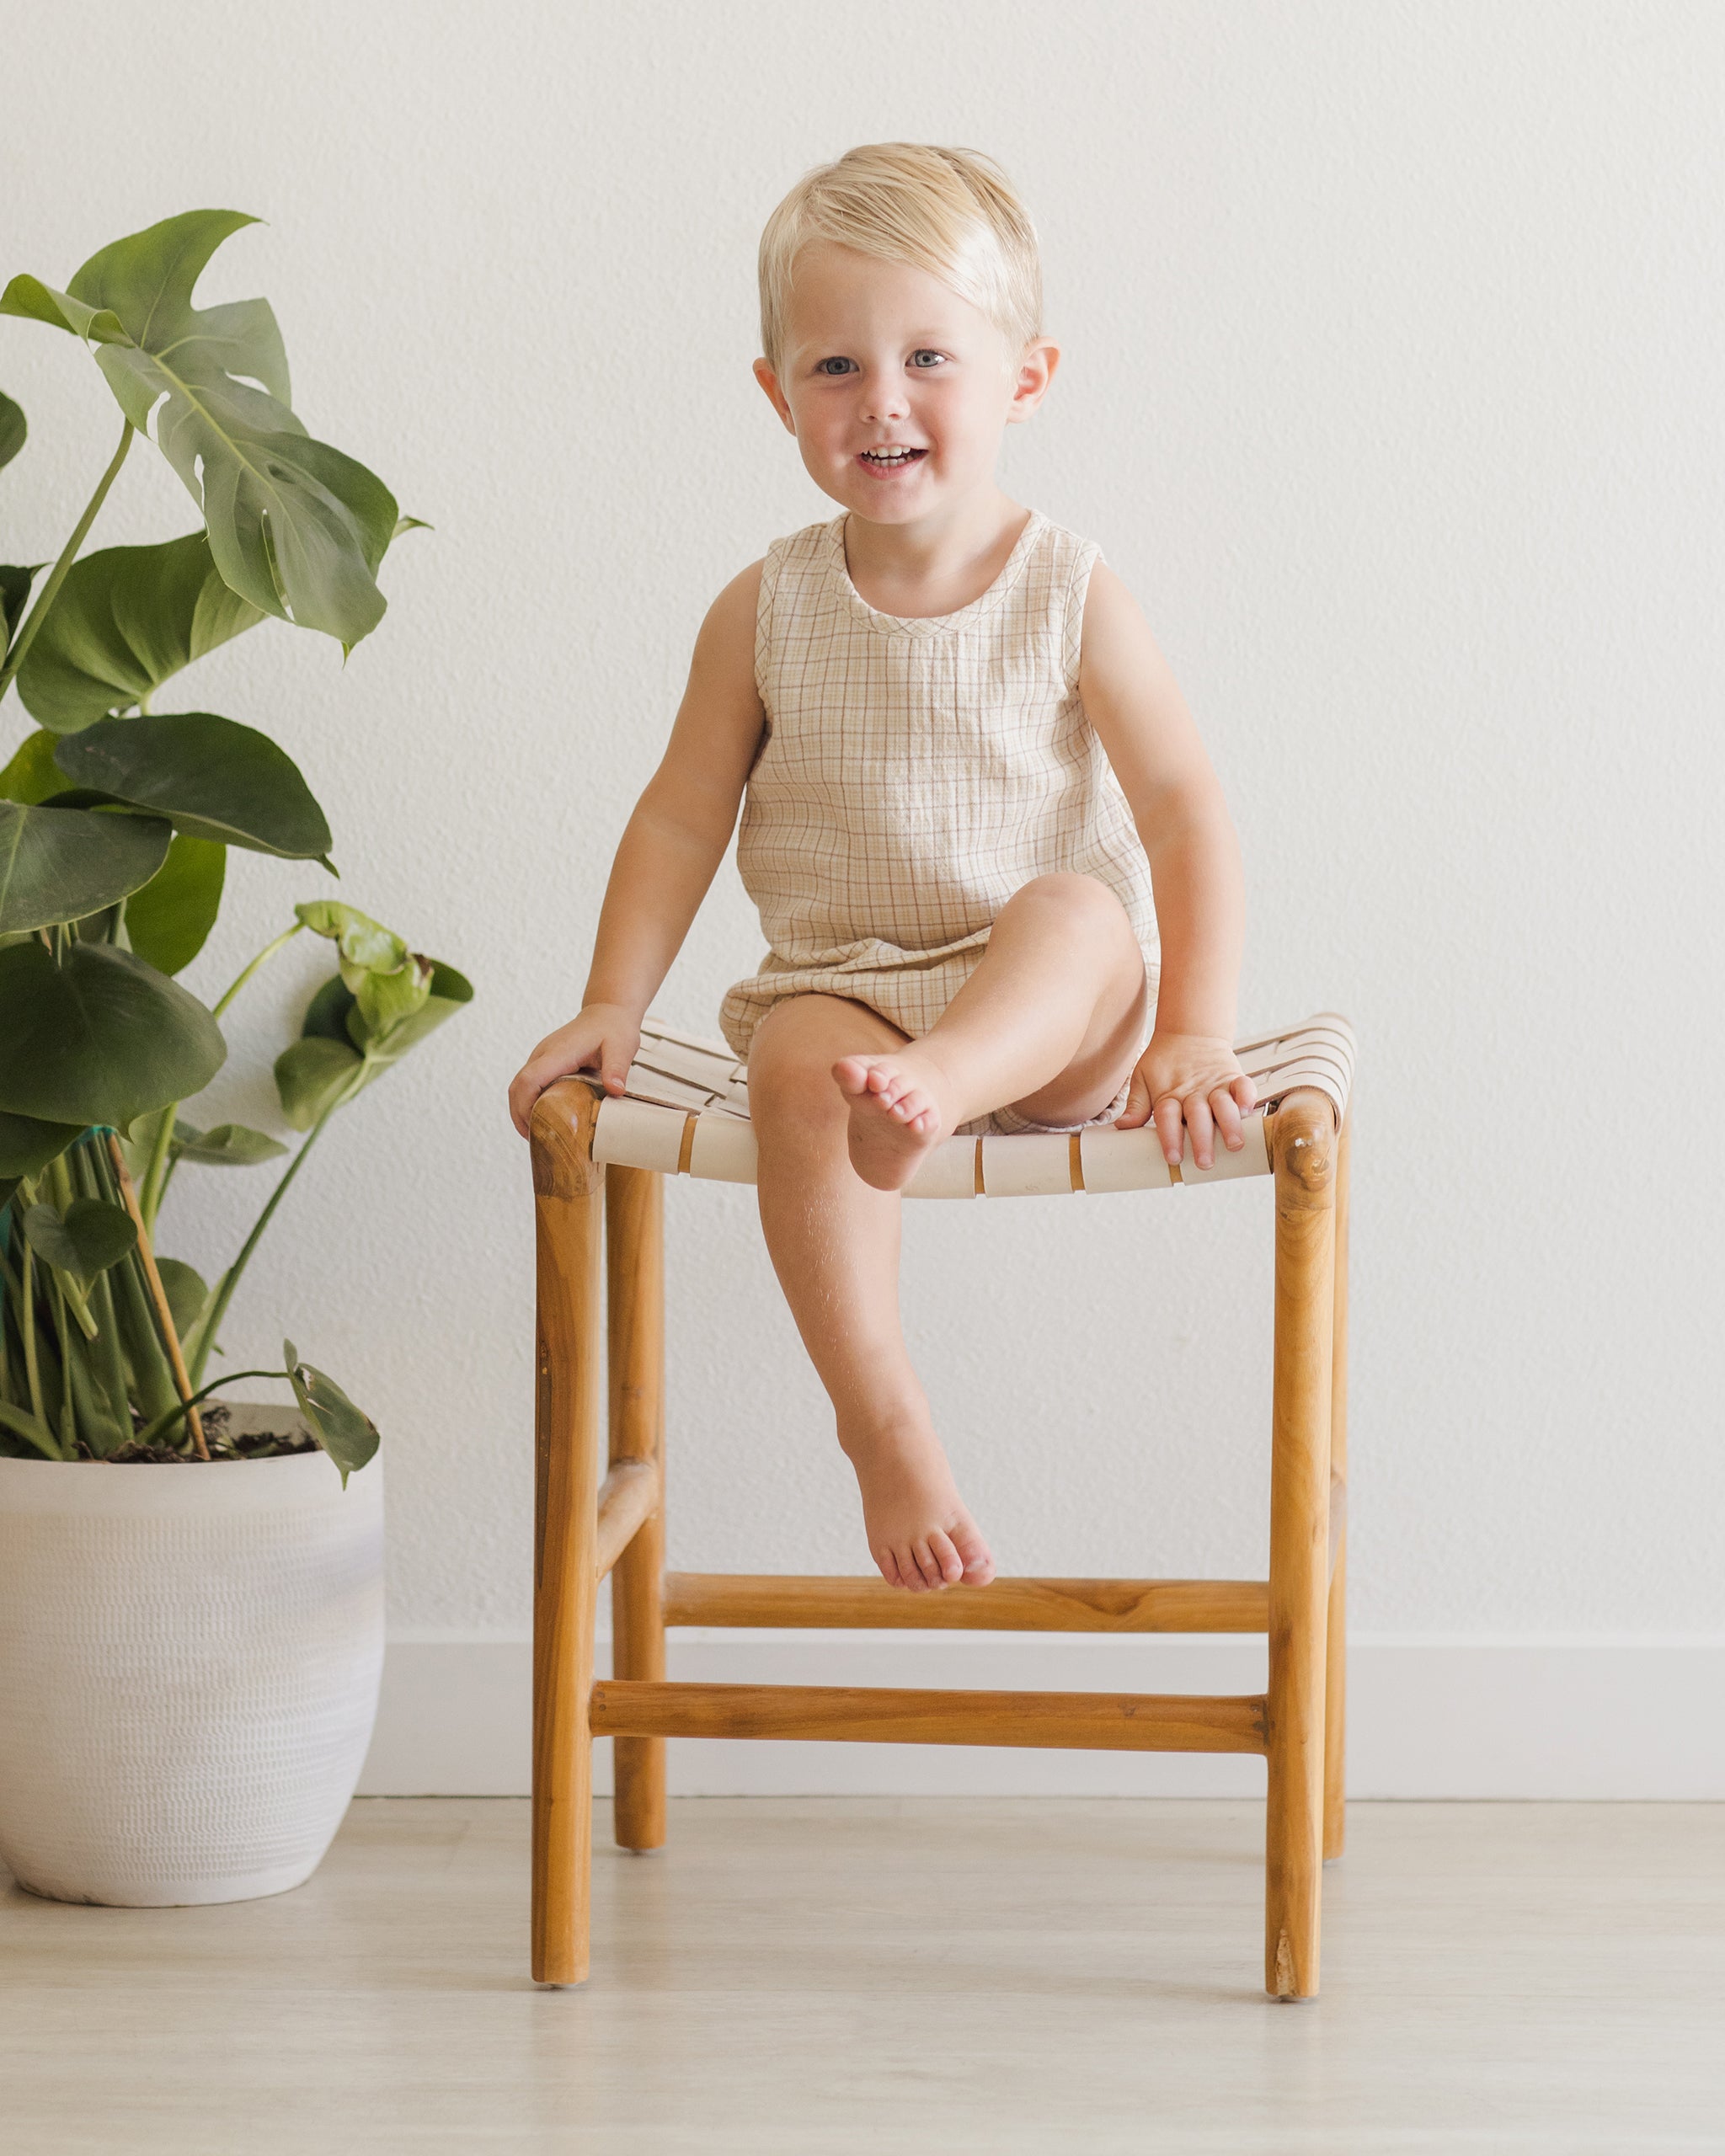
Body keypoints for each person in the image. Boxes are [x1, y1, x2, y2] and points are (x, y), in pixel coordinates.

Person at [509, 142, 1255, 1598]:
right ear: (777, 393)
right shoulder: (765, 606)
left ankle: (947, 1091)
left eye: (928, 356)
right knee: (796, 1064)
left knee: (1074, 909)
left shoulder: (1069, 589)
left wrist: (1196, 1029)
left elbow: (1181, 806)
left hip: (1048, 1016)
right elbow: (678, 817)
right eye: (836, 366)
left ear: (1024, 378)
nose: (883, 400)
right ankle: (882, 1419)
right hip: (850, 995)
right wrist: (614, 999)